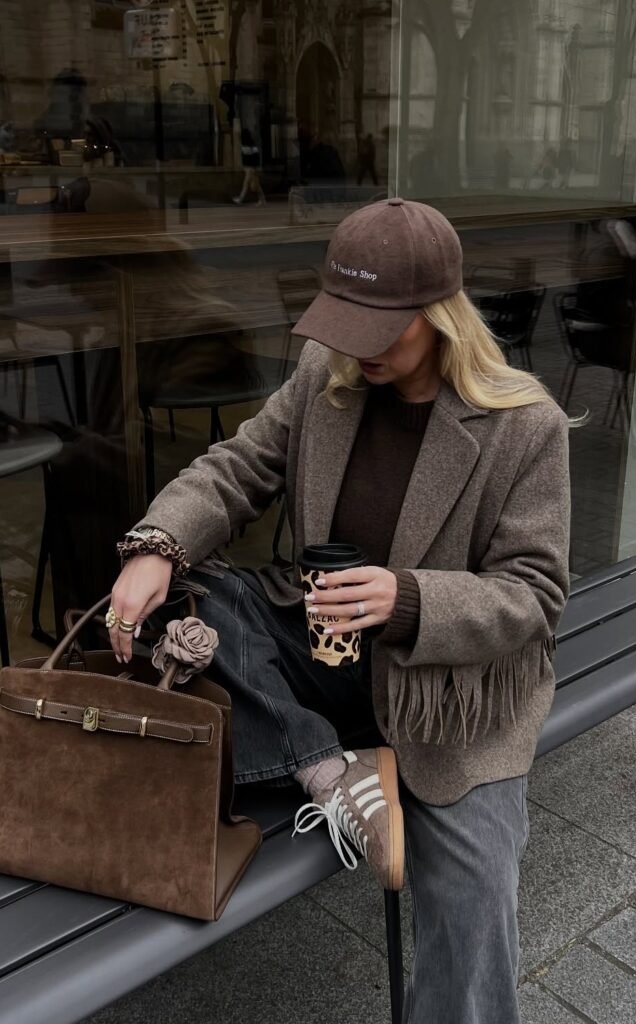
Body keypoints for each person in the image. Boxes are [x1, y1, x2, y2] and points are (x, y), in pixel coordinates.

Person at [108, 198, 570, 1022]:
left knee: (473, 906)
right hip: (319, 661)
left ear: (439, 316)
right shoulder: (327, 373)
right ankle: (329, 765)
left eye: (380, 327)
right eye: (343, 321)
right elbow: (237, 467)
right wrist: (154, 543)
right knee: (184, 592)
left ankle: (327, 761)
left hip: (448, 698)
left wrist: (411, 598)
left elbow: (533, 596)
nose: (356, 346)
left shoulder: (523, 425)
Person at [233, 127, 266, 206]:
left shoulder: (248, 146)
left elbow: (253, 157)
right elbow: (255, 157)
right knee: (256, 185)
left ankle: (241, 199)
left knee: (246, 183)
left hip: (250, 168)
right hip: (249, 167)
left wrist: (255, 168)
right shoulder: (249, 145)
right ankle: (262, 199)